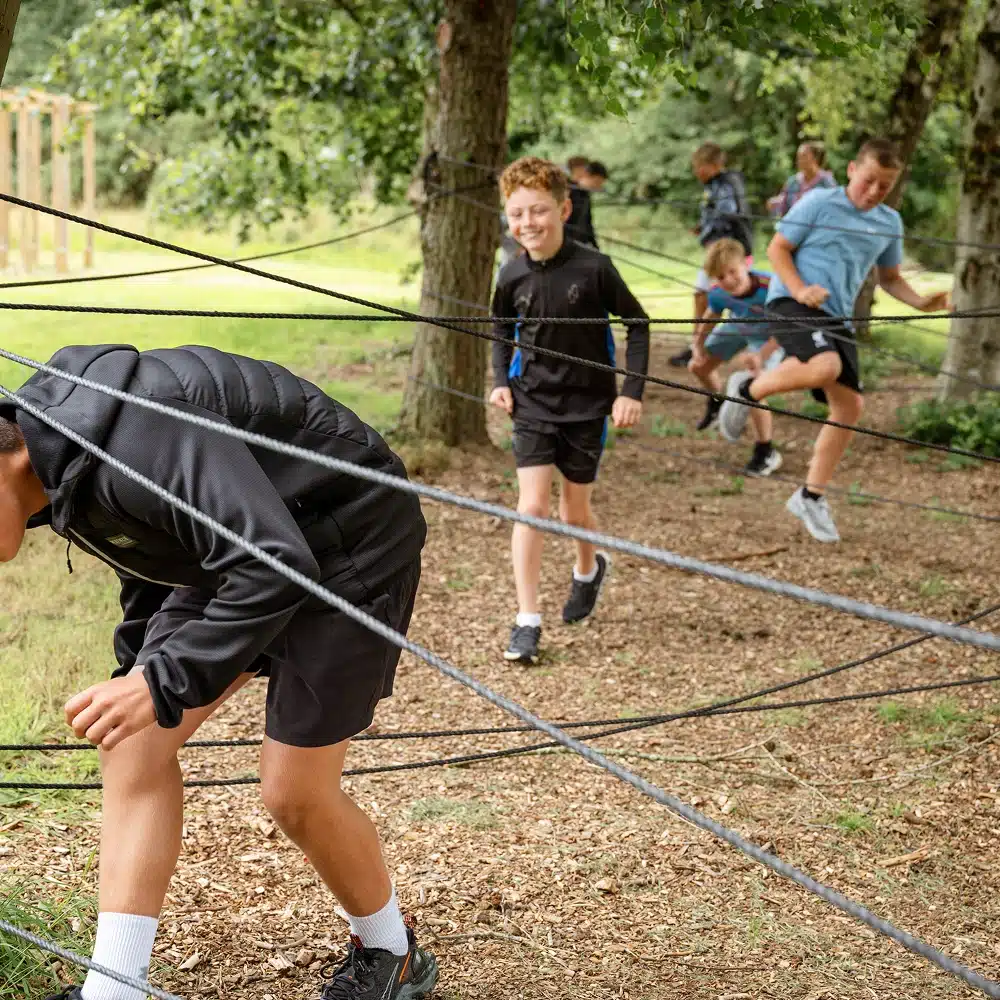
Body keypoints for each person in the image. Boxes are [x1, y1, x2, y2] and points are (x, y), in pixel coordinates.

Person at [6, 345, 438, 1000]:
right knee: (132, 745)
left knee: (294, 792)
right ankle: (115, 990)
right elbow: (149, 549)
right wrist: (138, 670)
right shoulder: (57, 455)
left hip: (349, 542)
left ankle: (390, 951)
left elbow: (273, 562)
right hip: (242, 551)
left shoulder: (132, 437)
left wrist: (162, 682)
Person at [717, 138, 950, 543]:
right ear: (851, 170)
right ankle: (749, 388)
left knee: (850, 405)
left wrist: (924, 303)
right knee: (827, 366)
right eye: (870, 180)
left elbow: (891, 278)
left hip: (835, 316)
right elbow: (778, 248)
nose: (875, 191)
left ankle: (810, 495)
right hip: (793, 302)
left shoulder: (889, 222)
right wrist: (802, 288)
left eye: (886, 185)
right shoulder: (819, 203)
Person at [489, 156, 650, 666]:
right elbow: (499, 328)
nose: (527, 223)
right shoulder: (511, 273)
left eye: (538, 211)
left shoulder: (594, 267)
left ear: (563, 208)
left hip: (587, 404)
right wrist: (501, 383)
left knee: (572, 511)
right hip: (532, 400)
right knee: (531, 506)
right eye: (516, 214)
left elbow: (638, 324)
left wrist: (632, 392)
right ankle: (527, 620)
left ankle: (588, 568)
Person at [688, 238, 783, 476]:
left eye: (733, 271)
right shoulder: (719, 293)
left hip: (772, 338)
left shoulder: (771, 286)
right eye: (720, 277)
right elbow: (711, 316)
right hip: (738, 325)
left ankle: (766, 451)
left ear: (746, 264)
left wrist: (761, 356)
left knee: (753, 387)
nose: (728, 280)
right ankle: (717, 405)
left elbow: (787, 329)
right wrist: (697, 345)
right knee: (698, 367)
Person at [669, 142, 753, 369]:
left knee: (706, 295)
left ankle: (701, 345)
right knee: (707, 296)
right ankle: (701, 344)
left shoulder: (724, 184)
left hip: (727, 250)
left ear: (713, 165)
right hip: (723, 248)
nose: (697, 172)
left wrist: (710, 234)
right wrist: (702, 226)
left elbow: (727, 212)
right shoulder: (717, 184)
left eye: (699, 166)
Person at [768, 141, 837, 218]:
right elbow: (784, 204)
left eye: (804, 156)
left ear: (815, 158)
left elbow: (834, 209)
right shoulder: (793, 181)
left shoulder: (826, 182)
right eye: (798, 157)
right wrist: (775, 203)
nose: (799, 161)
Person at [566, 158, 607, 249]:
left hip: (582, 244)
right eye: (596, 182)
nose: (597, 187)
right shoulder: (566, 191)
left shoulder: (585, 195)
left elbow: (588, 223)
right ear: (586, 175)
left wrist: (595, 247)